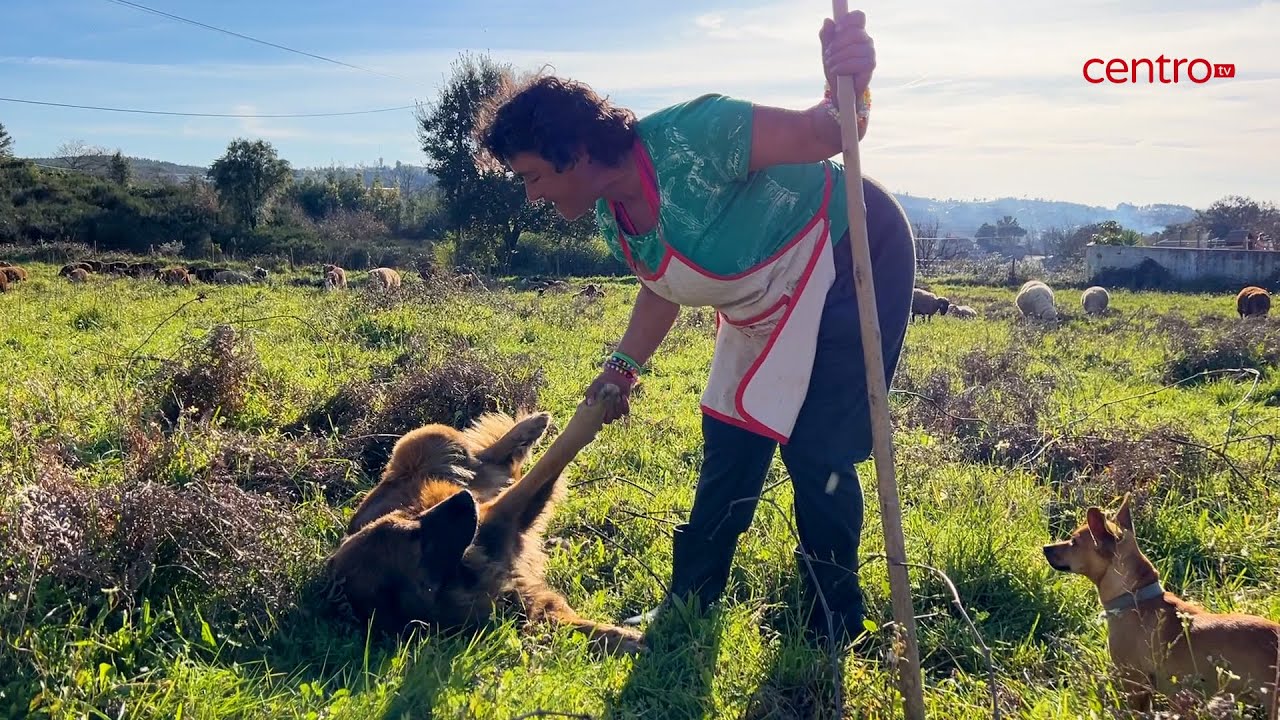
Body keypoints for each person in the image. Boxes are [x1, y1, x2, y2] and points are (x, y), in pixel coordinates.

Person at [474, 10, 916, 647]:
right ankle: (691, 602)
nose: (531, 195)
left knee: (818, 446)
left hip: (852, 251)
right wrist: (621, 370)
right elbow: (664, 286)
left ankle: (831, 617)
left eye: (532, 176)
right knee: (729, 436)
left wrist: (851, 76)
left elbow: (835, 131)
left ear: (574, 152)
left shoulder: (697, 136)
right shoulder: (612, 217)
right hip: (763, 296)